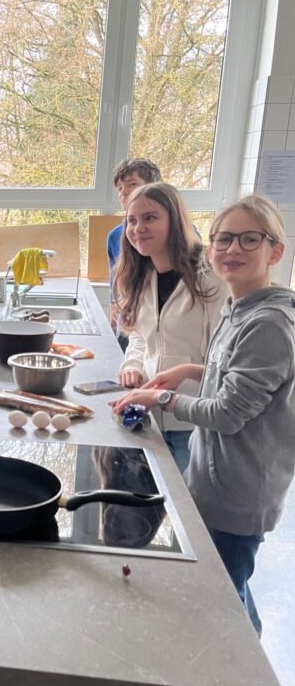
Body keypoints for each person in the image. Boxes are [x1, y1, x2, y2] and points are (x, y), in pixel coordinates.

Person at [113, 194, 295, 634]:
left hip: (240, 491)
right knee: (227, 586)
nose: (233, 249)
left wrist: (161, 398)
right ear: (211, 248)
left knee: (224, 603)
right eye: (224, 239)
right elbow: (228, 373)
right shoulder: (240, 307)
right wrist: (190, 371)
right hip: (214, 477)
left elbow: (229, 413)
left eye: (249, 239)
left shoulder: (269, 322)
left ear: (275, 252)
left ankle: (247, 671)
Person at [111, 182, 224, 473]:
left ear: (175, 220)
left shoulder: (209, 276)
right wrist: (132, 364)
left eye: (150, 217)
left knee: (189, 500)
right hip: (150, 415)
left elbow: (223, 356)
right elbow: (140, 334)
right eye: (131, 220)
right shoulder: (141, 275)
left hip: (193, 421)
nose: (138, 228)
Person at [108, 158, 163, 347]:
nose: (124, 192)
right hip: (129, 323)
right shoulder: (114, 237)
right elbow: (116, 288)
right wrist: (115, 310)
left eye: (132, 184)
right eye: (119, 188)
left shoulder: (178, 233)